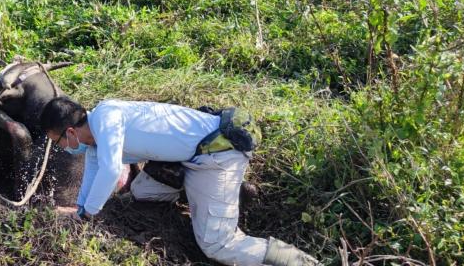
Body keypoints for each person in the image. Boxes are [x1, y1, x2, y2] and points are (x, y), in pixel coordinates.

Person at [40, 97, 320, 266]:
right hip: (188, 158)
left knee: (218, 245)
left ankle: (302, 261)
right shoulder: (93, 143)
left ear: (69, 131)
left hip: (216, 156)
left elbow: (112, 171)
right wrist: (79, 211)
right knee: (143, 193)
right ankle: (199, 197)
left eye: (59, 141)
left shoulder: (106, 118)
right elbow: (93, 173)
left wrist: (89, 213)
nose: (64, 148)